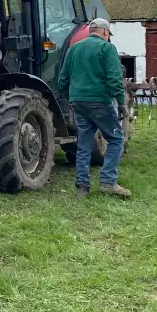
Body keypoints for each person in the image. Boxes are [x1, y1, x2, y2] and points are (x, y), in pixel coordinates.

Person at [62, 17, 130, 199]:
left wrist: (71, 98)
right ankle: (108, 182)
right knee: (116, 139)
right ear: (105, 32)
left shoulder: (73, 49)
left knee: (84, 145)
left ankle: (82, 188)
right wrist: (121, 102)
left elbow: (63, 79)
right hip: (99, 101)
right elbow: (114, 78)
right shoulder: (107, 48)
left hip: (78, 102)